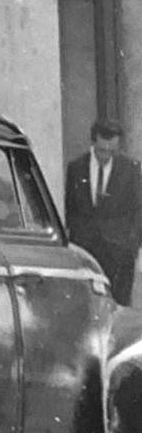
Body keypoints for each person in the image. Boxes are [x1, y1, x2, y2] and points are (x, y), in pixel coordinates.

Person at [65, 117, 140, 306]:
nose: (105, 156)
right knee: (86, 306)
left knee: (118, 308)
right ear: (93, 142)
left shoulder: (131, 170)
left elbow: (139, 210)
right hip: (86, 251)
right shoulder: (76, 168)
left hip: (119, 254)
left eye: (111, 152)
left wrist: (131, 245)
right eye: (101, 150)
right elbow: (71, 209)